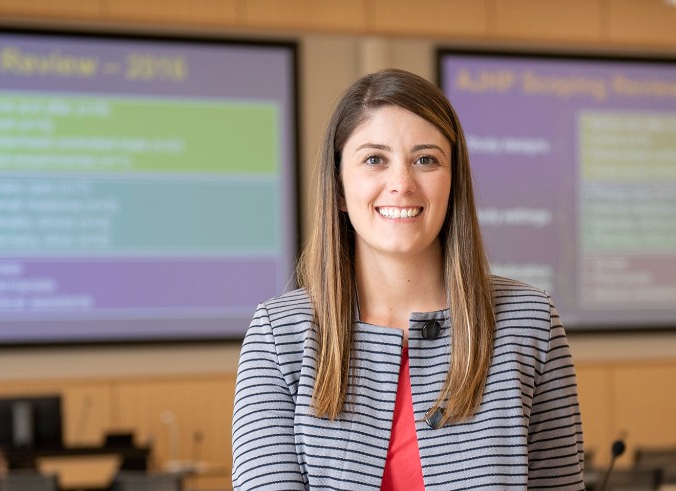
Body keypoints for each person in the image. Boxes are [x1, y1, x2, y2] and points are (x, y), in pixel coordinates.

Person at [231, 68, 585, 490]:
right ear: (340, 188)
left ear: (453, 184)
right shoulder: (279, 333)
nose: (401, 183)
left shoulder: (530, 321)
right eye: (374, 159)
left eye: (426, 159)